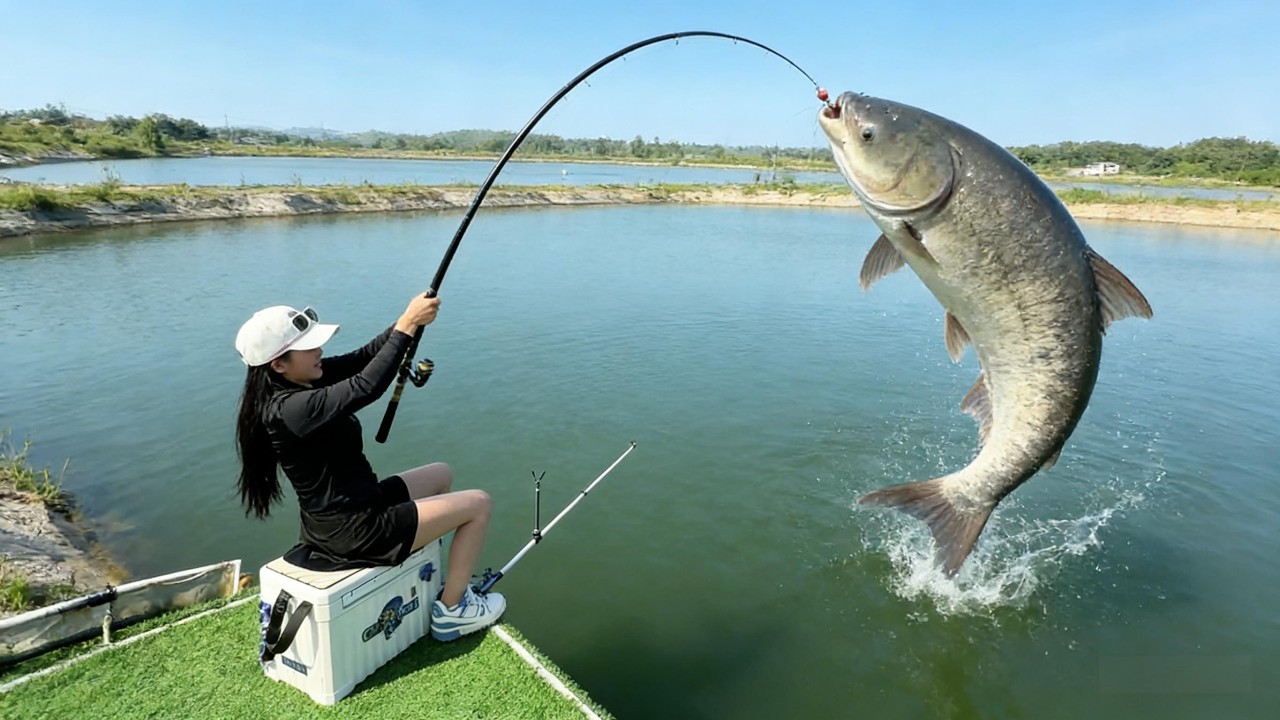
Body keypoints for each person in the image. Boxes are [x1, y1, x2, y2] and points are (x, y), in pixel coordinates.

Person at [233, 293, 504, 641]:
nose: (320, 352)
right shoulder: (291, 408)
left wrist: (408, 321)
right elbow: (366, 387)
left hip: (355, 508)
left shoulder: (300, 381)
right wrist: (406, 327)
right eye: (309, 348)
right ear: (278, 364)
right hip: (357, 531)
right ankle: (452, 612)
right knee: (479, 504)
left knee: (441, 474)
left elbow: (363, 360)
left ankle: (430, 577)